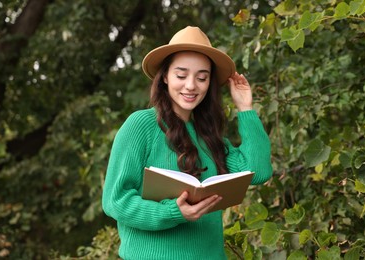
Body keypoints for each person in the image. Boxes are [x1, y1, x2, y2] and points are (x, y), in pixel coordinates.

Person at [102, 26, 273, 260]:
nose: (191, 85)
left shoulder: (209, 137)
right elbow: (115, 200)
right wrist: (174, 212)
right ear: (164, 76)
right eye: (181, 75)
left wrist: (246, 109)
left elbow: (259, 172)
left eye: (202, 77)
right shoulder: (141, 125)